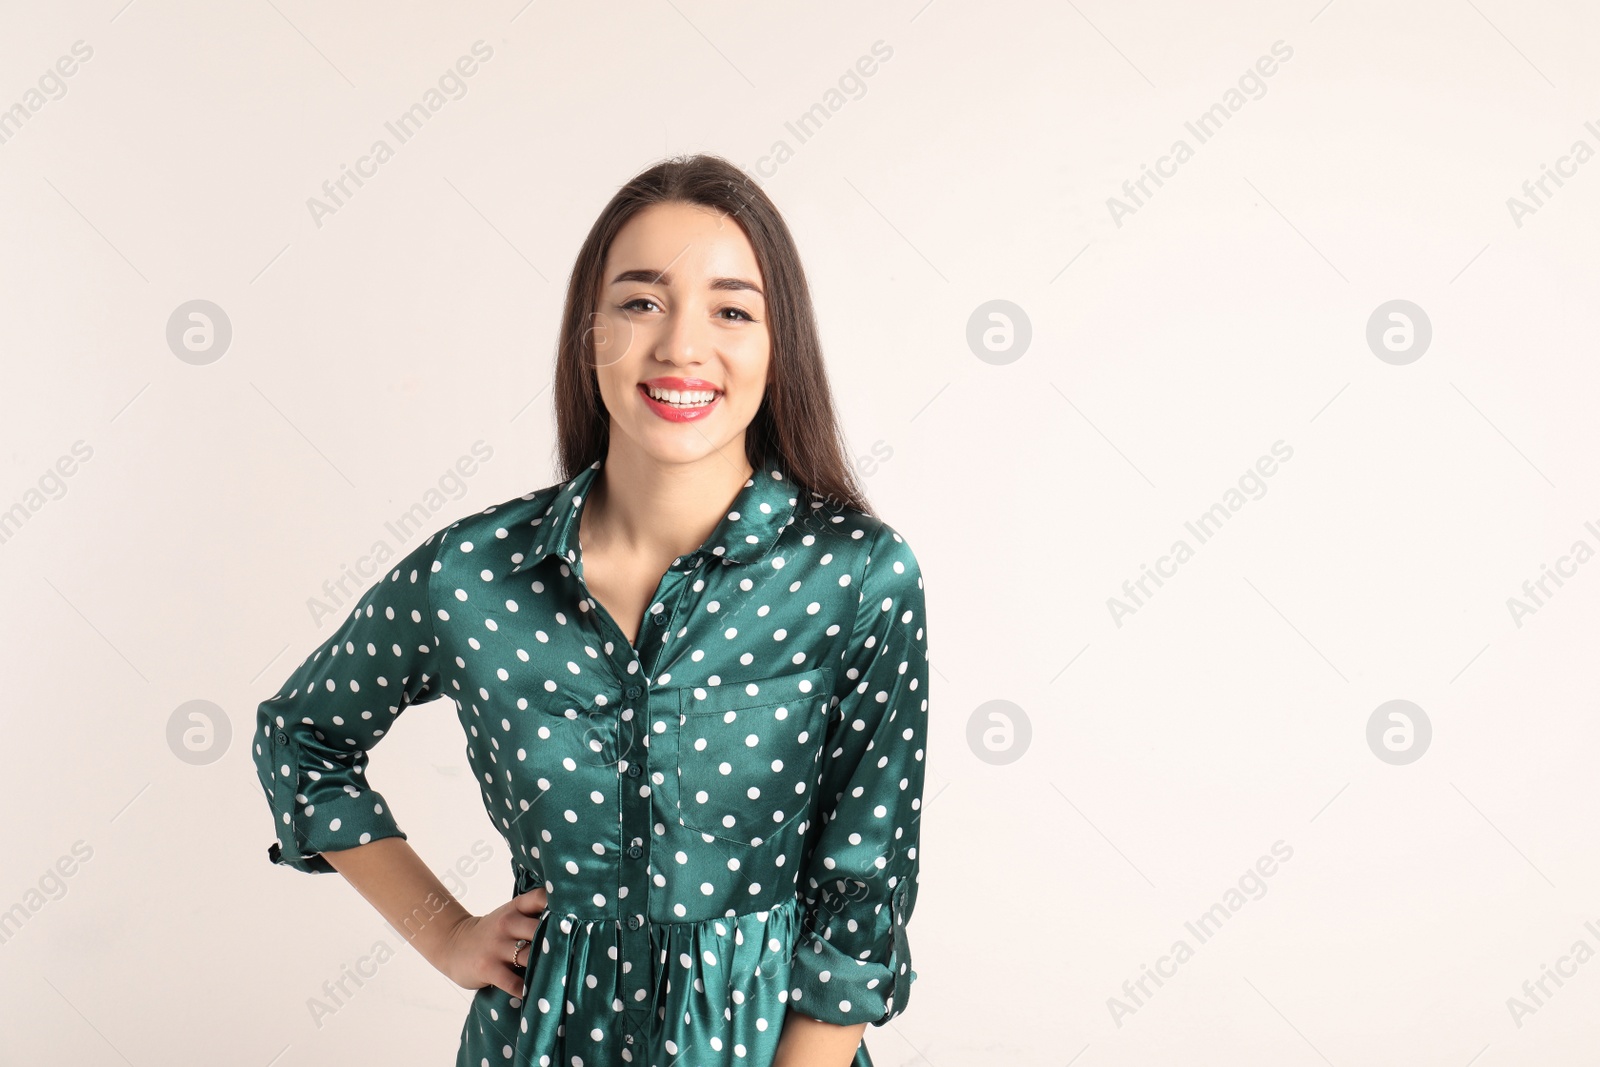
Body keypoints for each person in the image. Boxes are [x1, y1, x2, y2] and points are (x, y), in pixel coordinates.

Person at [251, 153, 930, 1067]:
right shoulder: (474, 573)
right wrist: (442, 929)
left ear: (780, 346)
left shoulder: (856, 578)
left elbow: (864, 889)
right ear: (589, 333)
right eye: (642, 301)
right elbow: (303, 737)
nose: (682, 346)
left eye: (731, 310)